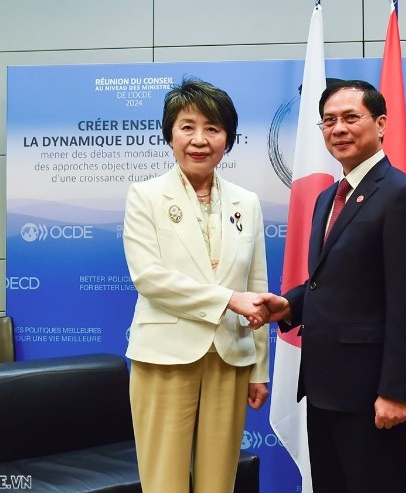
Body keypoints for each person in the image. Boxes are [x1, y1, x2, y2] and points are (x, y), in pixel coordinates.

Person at [258, 79, 406, 492]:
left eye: (351, 117)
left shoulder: (402, 195)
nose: (338, 128)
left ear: (381, 124)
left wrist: (395, 391)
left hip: (369, 392)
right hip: (322, 385)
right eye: (329, 120)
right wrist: (288, 305)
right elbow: (331, 282)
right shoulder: (327, 197)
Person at [122, 77, 270, 493]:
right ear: (169, 134)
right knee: (164, 480)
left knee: (218, 481)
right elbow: (149, 278)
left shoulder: (248, 202)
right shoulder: (145, 196)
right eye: (187, 126)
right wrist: (228, 300)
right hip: (164, 357)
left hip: (230, 357)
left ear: (228, 139)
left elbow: (255, 285)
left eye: (213, 128)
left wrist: (259, 368)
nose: (199, 140)